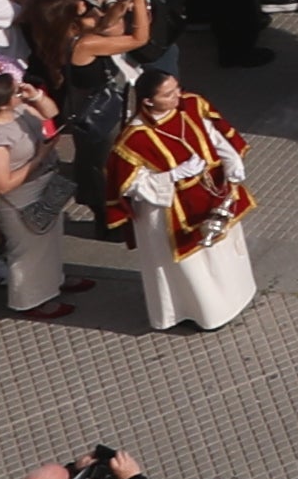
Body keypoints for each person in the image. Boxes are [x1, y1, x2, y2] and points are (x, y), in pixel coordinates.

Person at [95, 75, 262, 334]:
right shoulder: (133, 139)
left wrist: (232, 162)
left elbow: (214, 136)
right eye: (168, 94)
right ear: (148, 101)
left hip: (211, 194)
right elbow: (129, 184)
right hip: (166, 209)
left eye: (177, 89)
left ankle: (236, 297)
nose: (177, 97)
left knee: (223, 250)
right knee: (189, 266)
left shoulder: (191, 106)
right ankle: (199, 313)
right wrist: (172, 175)